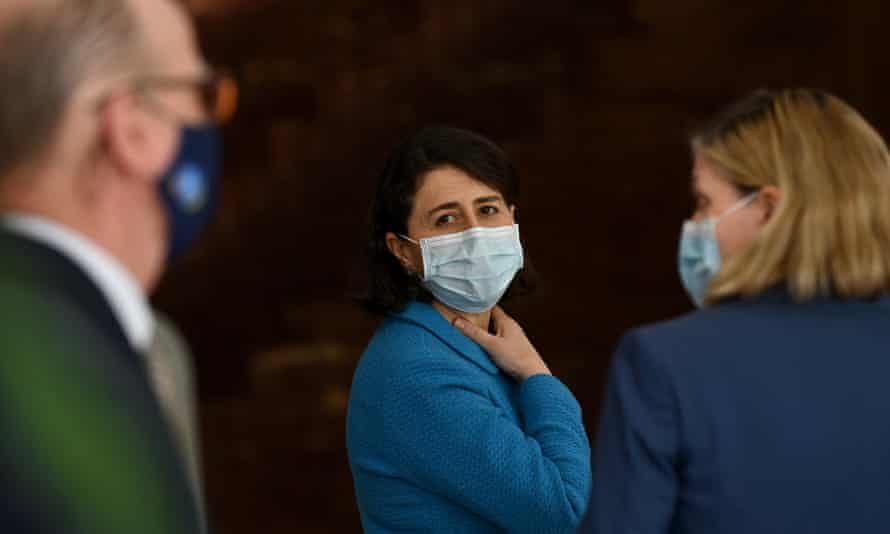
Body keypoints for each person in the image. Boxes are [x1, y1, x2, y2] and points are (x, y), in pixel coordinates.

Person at [466, 88, 890, 533]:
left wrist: (538, 383)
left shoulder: (667, 363)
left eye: (704, 203)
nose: (694, 226)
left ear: (767, 210)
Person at [0, 1, 235, 532]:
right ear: (134, 131)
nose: (208, 124)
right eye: (203, 95)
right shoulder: (67, 376)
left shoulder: (149, 350)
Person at [346, 126, 591, 533]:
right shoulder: (417, 372)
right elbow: (565, 513)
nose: (475, 233)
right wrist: (537, 374)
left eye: (488, 210)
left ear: (513, 218)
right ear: (403, 251)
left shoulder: (474, 347)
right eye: (447, 219)